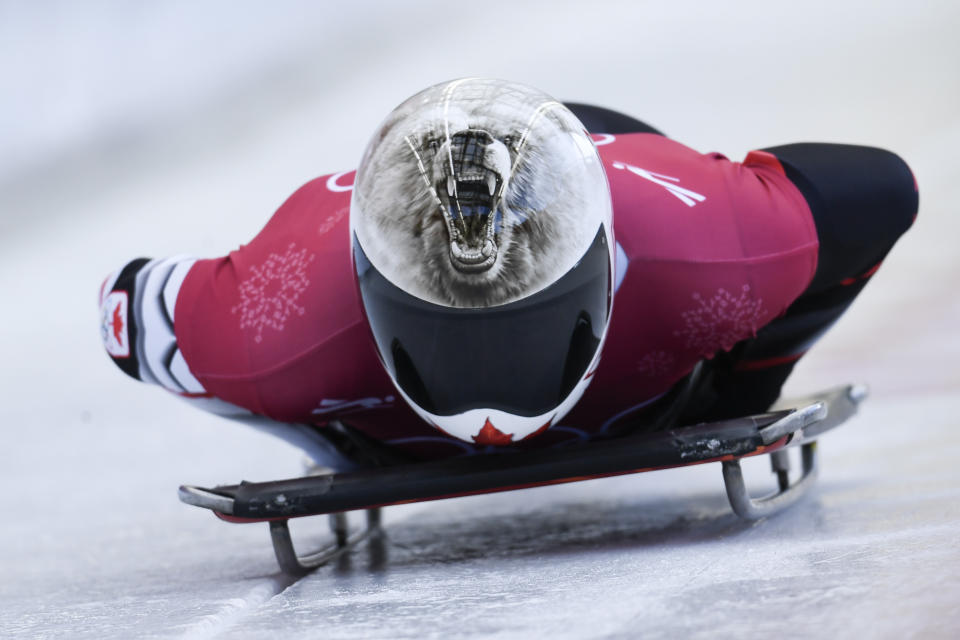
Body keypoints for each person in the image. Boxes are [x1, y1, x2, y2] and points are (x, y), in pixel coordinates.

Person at [98, 78, 917, 470]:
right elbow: (128, 309)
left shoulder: (711, 245)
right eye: (446, 332)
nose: (492, 412)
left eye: (526, 324)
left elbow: (881, 191)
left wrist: (744, 380)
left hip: (619, 161)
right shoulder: (268, 328)